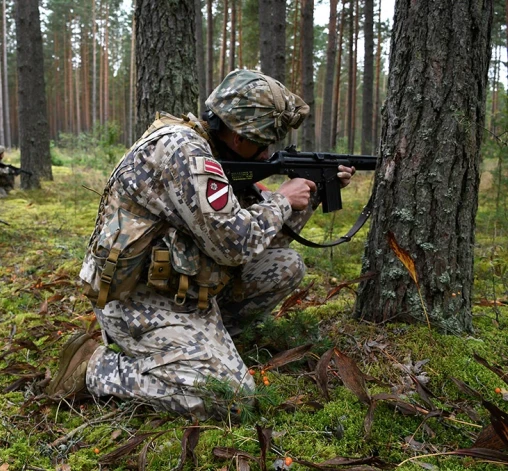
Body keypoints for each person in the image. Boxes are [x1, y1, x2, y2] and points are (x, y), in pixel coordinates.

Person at [47, 69, 356, 419]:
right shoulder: (187, 152)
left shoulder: (211, 151)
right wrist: (282, 200)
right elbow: (234, 246)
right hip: (135, 299)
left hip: (185, 288)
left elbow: (265, 242)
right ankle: (96, 367)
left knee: (286, 265)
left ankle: (203, 348)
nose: (266, 152)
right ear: (239, 137)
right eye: (264, 142)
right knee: (230, 397)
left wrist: (311, 194)